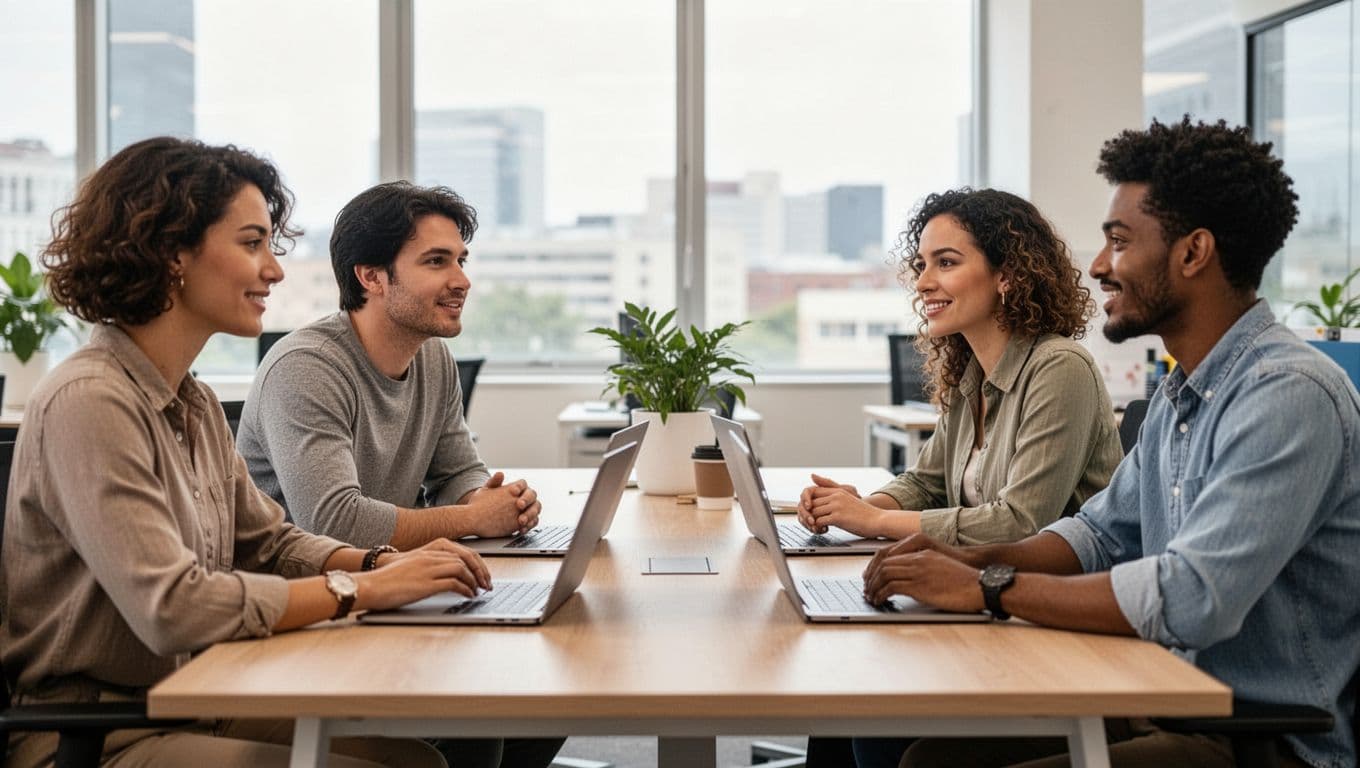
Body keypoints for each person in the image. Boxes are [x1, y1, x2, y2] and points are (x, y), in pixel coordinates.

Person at [862, 118, 1360, 768]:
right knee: (927, 754)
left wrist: (986, 584)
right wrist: (958, 553)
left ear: (1193, 252)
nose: (1098, 266)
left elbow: (1189, 597)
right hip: (1160, 690)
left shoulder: (1288, 394)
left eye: (1119, 243)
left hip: (1260, 735)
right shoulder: (1183, 394)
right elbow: (1096, 536)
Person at [1, 136, 494, 768]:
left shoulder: (194, 401)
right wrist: (361, 589)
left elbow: (271, 543)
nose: (276, 269)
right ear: (171, 252)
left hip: (205, 693)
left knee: (419, 759)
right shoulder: (89, 400)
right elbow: (173, 608)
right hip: (104, 731)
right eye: (251, 243)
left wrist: (379, 564)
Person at [234, 181, 561, 768]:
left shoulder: (430, 355)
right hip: (304, 615)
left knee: (544, 696)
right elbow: (331, 521)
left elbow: (460, 468)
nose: (461, 279)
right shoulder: (306, 369)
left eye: (461, 260)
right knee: (494, 704)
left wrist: (496, 500)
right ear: (371, 276)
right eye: (436, 261)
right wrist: (469, 517)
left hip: (382, 595)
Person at [799, 188, 1124, 768]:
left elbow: (1024, 523)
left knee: (871, 718)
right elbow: (924, 483)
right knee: (843, 695)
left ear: (1008, 275)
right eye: (921, 265)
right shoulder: (971, 371)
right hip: (986, 608)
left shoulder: (1059, 369)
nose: (923, 281)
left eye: (946, 263)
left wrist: (873, 520)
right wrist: (854, 504)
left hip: (1049, 622)